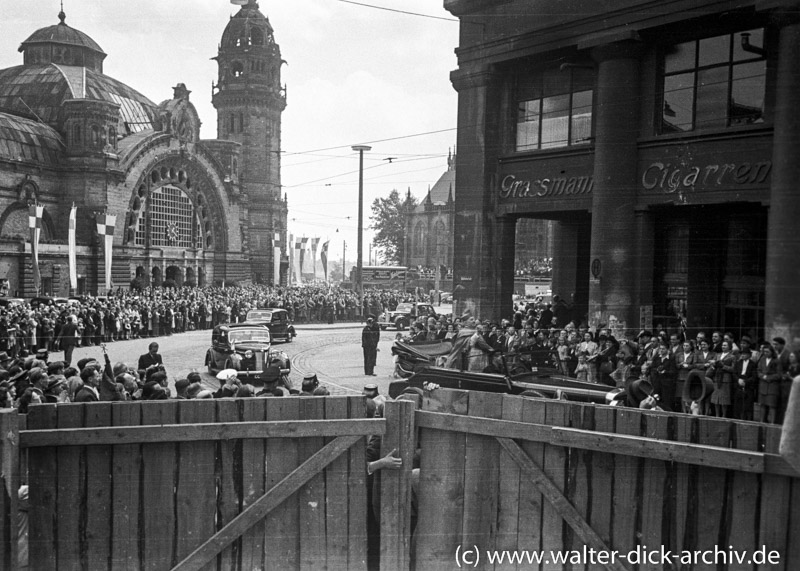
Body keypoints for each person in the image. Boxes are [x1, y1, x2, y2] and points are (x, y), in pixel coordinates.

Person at [757, 342, 783, 424]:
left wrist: (768, 378)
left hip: (772, 387)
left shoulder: (777, 361)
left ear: (772, 352)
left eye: (767, 352)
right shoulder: (762, 359)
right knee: (762, 405)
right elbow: (758, 370)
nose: (765, 353)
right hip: (763, 385)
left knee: (772, 406)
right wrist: (762, 376)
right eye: (764, 352)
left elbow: (779, 374)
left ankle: (772, 423)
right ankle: (761, 422)